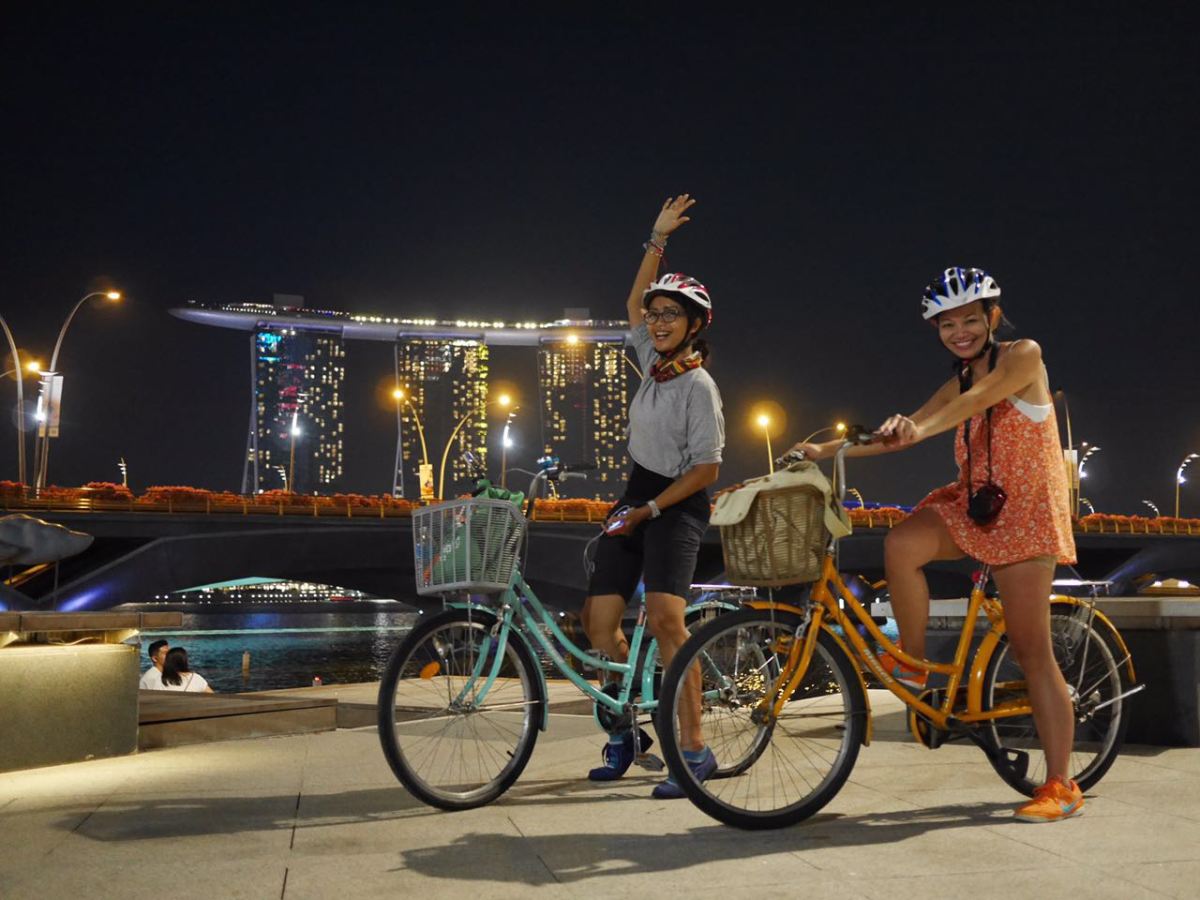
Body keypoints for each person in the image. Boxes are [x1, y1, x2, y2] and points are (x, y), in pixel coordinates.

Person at [790, 267, 1080, 823]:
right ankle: (917, 665)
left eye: (969, 320)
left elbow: (972, 405)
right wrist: (825, 451)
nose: (959, 332)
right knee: (903, 544)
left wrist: (922, 428)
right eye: (947, 325)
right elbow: (905, 432)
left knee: (1030, 651)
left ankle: (1062, 784)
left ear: (992, 317)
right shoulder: (958, 382)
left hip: (1025, 514)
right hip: (976, 504)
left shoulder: (1024, 356)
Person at [580, 194, 725, 799]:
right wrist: (656, 239)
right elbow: (630, 304)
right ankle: (625, 732)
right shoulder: (652, 364)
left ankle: (694, 750)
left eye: (672, 315)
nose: (658, 322)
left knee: (667, 620)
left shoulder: (699, 386)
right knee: (598, 625)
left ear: (694, 326)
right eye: (656, 313)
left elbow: (707, 469)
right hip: (635, 498)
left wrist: (652, 510)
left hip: (678, 506)